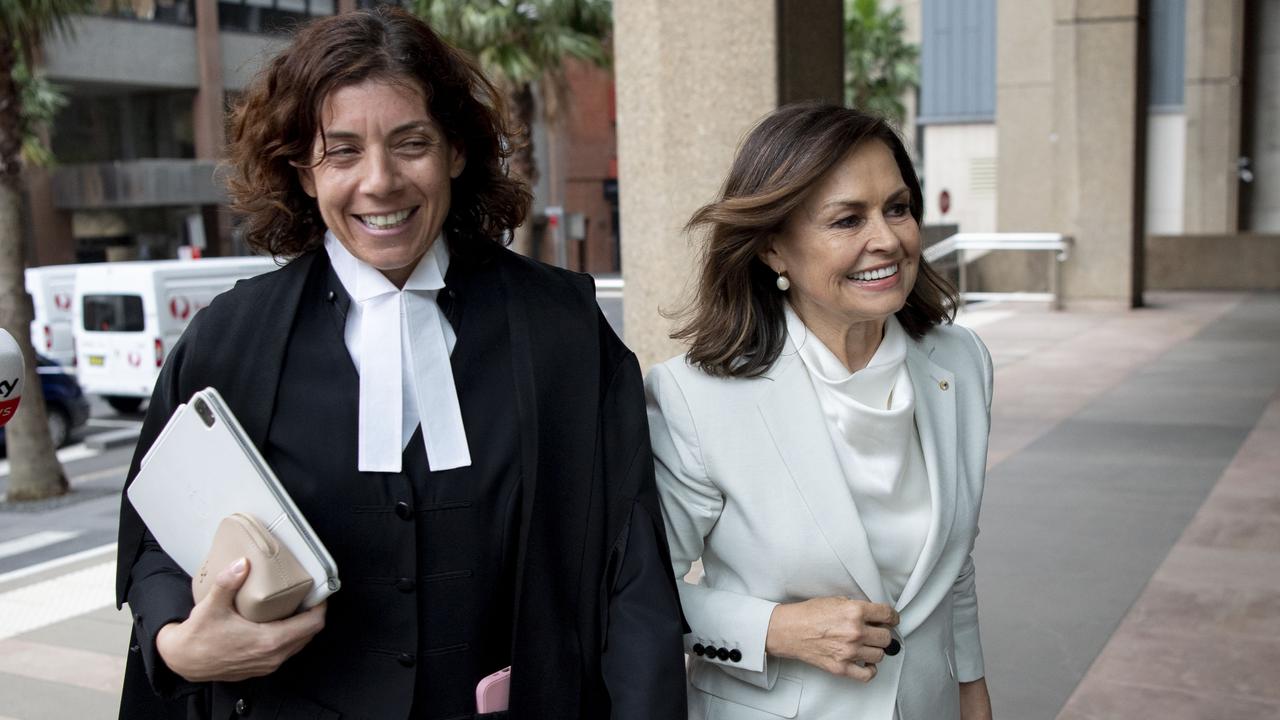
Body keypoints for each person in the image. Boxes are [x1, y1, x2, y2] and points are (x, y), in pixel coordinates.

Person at [114, 8, 687, 719]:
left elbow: (632, 579)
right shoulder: (228, 342)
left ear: (454, 151)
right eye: (343, 151)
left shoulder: (561, 331)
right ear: (301, 170)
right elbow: (157, 536)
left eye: (411, 143)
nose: (379, 182)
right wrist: (176, 645)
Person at [646, 103, 995, 720]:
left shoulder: (961, 362)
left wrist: (971, 691)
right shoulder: (693, 398)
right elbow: (635, 596)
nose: (886, 239)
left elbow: (952, 563)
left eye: (897, 208)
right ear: (775, 248)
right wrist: (774, 628)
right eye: (846, 219)